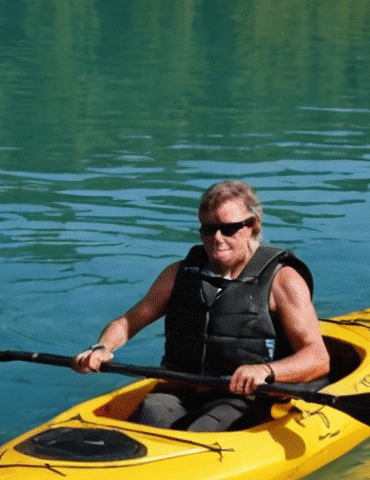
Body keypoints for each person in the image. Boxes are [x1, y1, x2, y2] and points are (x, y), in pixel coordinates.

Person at [71, 180, 328, 431]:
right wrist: (101, 347)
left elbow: (317, 356)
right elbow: (128, 322)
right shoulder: (177, 274)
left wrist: (266, 370)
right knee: (150, 414)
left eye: (229, 229)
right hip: (180, 389)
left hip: (244, 399)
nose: (217, 238)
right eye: (208, 229)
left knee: (206, 428)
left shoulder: (283, 280)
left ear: (253, 225)